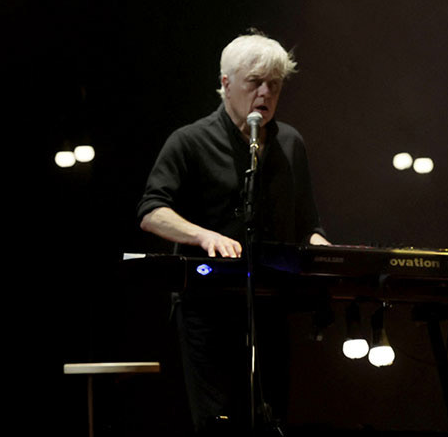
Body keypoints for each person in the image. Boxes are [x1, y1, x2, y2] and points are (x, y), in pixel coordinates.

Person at [137, 31, 328, 435]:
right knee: (219, 423)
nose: (266, 93)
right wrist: (203, 236)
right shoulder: (190, 141)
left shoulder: (290, 143)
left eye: (274, 84)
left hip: (271, 303)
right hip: (208, 307)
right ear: (226, 83)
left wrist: (327, 252)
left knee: (272, 419)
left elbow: (307, 226)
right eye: (255, 82)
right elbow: (152, 212)